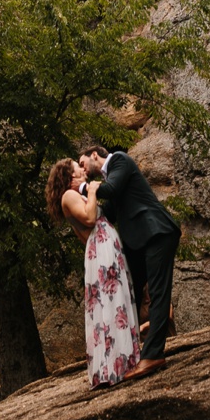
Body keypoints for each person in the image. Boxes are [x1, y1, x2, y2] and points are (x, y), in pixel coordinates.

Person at [78, 145, 180, 381]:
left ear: (95, 155)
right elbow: (107, 213)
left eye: (82, 164)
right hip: (139, 242)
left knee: (157, 293)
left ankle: (153, 355)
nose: (84, 170)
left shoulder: (119, 161)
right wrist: (77, 205)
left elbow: (110, 190)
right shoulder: (111, 180)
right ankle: (126, 354)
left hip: (157, 233)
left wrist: (83, 187)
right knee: (127, 291)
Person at [46, 158, 140, 387]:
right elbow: (89, 218)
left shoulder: (74, 195)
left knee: (115, 301)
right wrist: (93, 190)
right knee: (110, 302)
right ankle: (113, 366)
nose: (82, 168)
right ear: (70, 175)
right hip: (101, 248)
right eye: (77, 166)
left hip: (103, 246)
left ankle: (122, 360)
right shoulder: (69, 196)